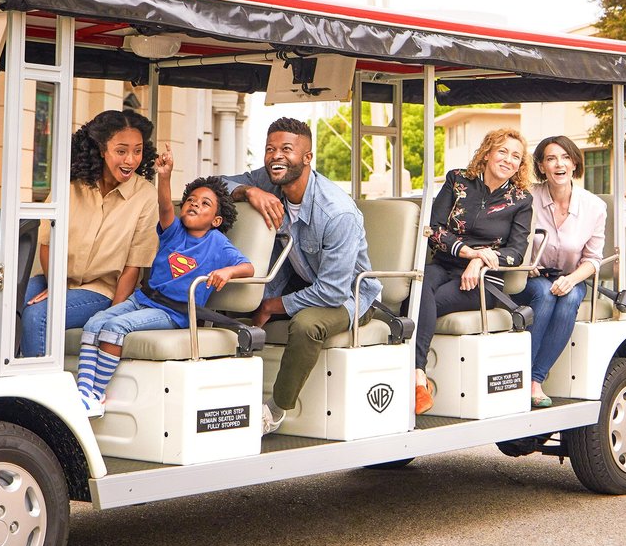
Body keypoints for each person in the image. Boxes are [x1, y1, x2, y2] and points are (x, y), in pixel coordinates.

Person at [224, 117, 379, 435]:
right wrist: (249, 191)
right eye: (270, 149)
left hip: (350, 295)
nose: (275, 155)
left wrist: (270, 306)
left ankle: (276, 410)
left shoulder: (337, 212)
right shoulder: (270, 182)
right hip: (299, 281)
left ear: (307, 157)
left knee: (307, 324)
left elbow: (333, 292)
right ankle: (227, 399)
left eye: (286, 149)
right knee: (229, 305)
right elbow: (214, 183)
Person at [75, 148, 252, 415]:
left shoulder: (217, 243)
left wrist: (227, 272)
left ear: (216, 220)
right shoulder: (174, 231)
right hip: (143, 299)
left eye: (205, 204)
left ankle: (97, 393)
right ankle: (84, 393)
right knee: (94, 322)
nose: (195, 204)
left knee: (114, 325)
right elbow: (165, 206)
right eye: (191, 200)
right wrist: (165, 177)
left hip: (173, 312)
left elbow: (248, 267)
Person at [21, 109, 160, 356]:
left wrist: (112, 316)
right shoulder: (70, 186)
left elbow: (133, 267)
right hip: (56, 279)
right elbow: (47, 243)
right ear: (101, 149)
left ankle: (37, 392)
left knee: (38, 316)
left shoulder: (147, 196)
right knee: (7, 302)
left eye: (137, 150)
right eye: (121, 151)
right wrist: (57, 285)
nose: (130, 160)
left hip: (102, 291)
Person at [414, 128, 534, 415]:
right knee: (418, 288)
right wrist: (468, 252)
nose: (508, 160)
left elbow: (516, 252)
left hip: (483, 281)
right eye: (503, 151)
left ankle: (416, 376)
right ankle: (418, 375)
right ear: (488, 152)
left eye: (516, 156)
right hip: (444, 263)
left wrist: (480, 261)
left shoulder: (521, 200)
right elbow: (434, 229)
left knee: (423, 302)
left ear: (520, 165)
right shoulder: (458, 180)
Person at [517, 136, 606, 408]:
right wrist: (525, 267)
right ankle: (521, 377)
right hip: (529, 277)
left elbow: (592, 260)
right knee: (544, 293)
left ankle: (535, 380)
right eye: (551, 158)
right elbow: (511, 241)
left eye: (565, 157)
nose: (559, 164)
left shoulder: (593, 207)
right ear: (542, 166)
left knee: (567, 298)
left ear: (575, 163)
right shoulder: (526, 197)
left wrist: (570, 280)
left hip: (571, 277)